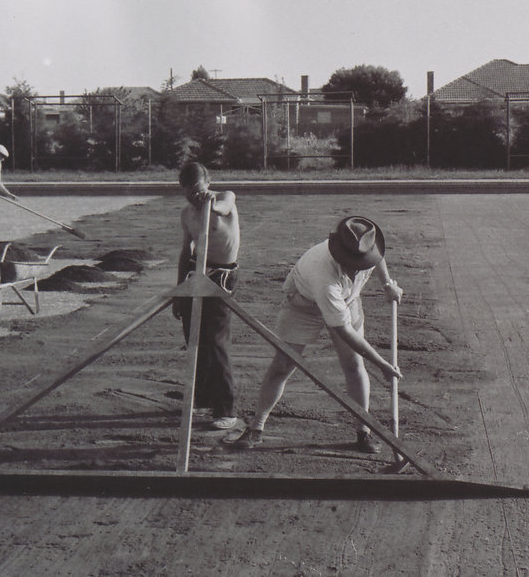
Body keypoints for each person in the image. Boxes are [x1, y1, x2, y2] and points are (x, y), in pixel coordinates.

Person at [233, 216, 403, 453]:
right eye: (353, 262)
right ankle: (256, 428)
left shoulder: (366, 248)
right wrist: (383, 364)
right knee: (283, 365)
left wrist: (388, 285)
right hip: (304, 304)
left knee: (354, 365)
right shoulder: (323, 273)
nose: (358, 267)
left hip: (347, 300)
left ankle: (363, 431)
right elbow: (342, 330)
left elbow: (378, 258)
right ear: (340, 254)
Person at [172, 162, 241, 430]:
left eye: (198, 190)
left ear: (208, 184)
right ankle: (201, 397)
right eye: (189, 193)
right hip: (194, 273)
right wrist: (179, 292)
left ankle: (226, 408)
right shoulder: (187, 214)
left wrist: (210, 202)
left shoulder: (225, 198)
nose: (195, 197)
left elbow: (223, 207)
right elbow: (184, 253)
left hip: (221, 275)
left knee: (215, 340)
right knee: (193, 337)